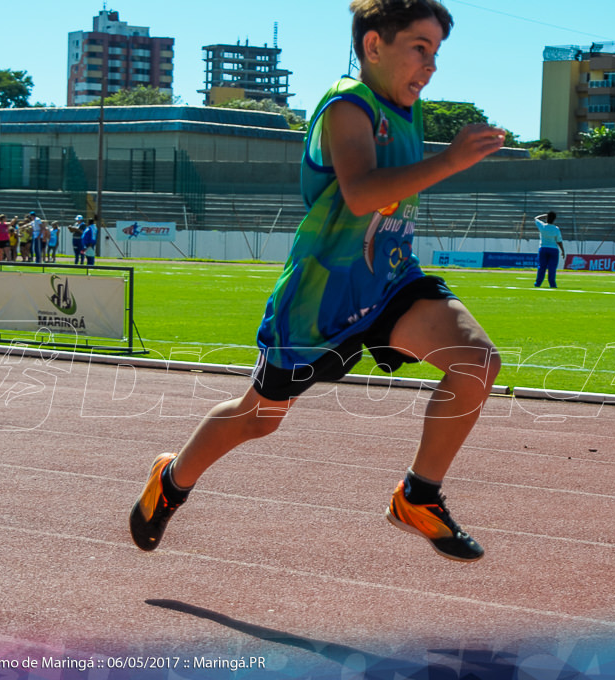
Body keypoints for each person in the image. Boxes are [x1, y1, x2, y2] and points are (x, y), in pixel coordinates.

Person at [128, 0, 506, 563]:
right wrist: (450, 160)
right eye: (419, 49)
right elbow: (360, 192)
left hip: (390, 283)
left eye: (437, 54)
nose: (430, 67)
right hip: (319, 302)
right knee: (257, 419)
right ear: (374, 45)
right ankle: (172, 479)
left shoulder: (410, 112)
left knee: (477, 361)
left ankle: (417, 496)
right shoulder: (345, 103)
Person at [534, 211, 566, 289]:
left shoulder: (543, 226)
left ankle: (538, 283)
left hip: (543, 248)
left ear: (547, 218)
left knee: (542, 267)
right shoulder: (556, 229)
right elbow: (559, 241)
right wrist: (562, 250)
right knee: (552, 268)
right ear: (554, 219)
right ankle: (552, 284)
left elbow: (536, 218)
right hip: (553, 249)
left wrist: (544, 216)